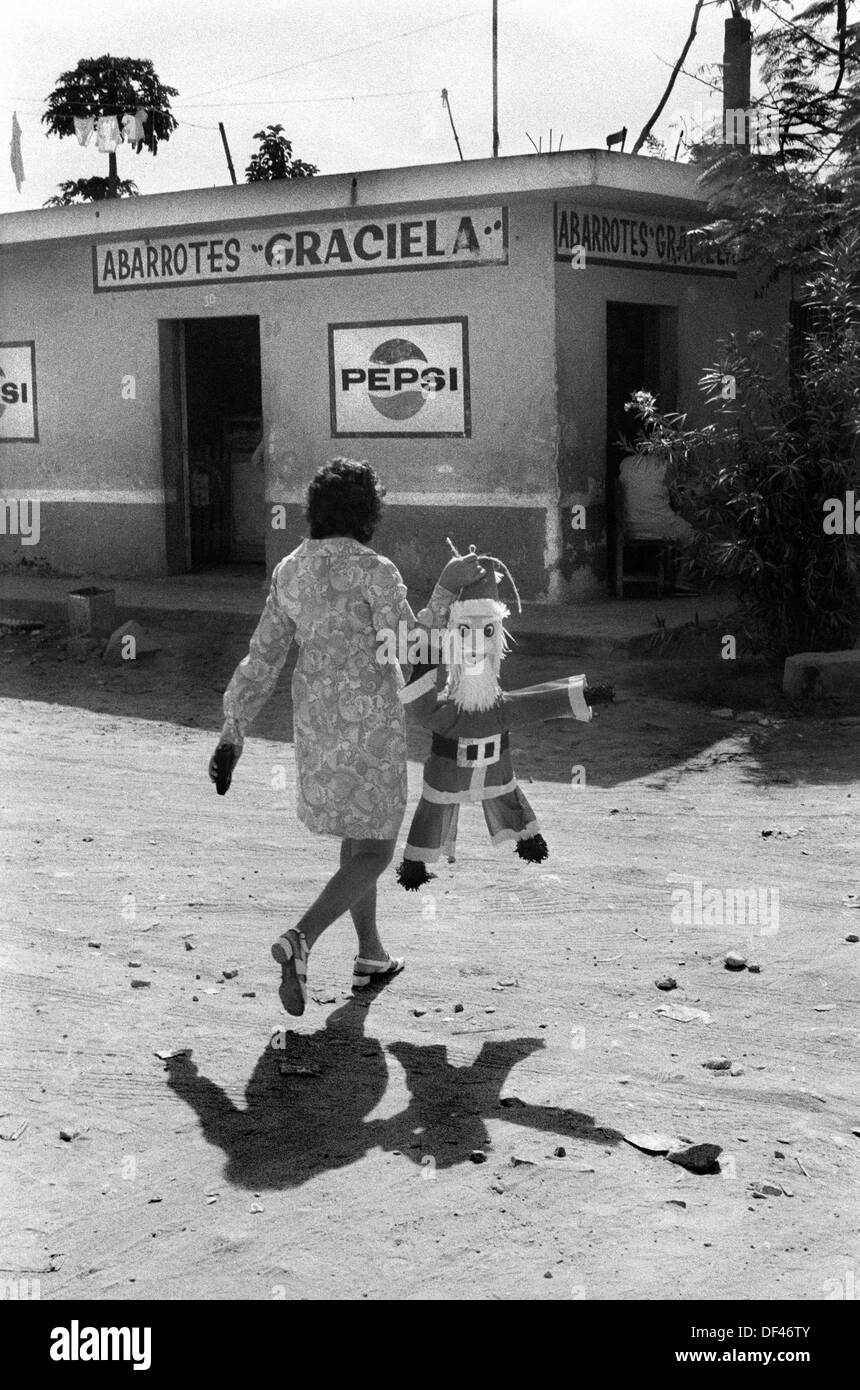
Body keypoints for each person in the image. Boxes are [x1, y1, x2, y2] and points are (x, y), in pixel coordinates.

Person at [208, 458, 483, 1016]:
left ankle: (371, 954)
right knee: (378, 846)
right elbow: (411, 646)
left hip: (313, 722)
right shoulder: (375, 571)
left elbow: (264, 656)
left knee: (358, 837)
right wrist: (448, 589)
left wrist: (233, 727)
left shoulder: (290, 570)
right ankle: (300, 939)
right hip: (370, 725)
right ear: (368, 514)